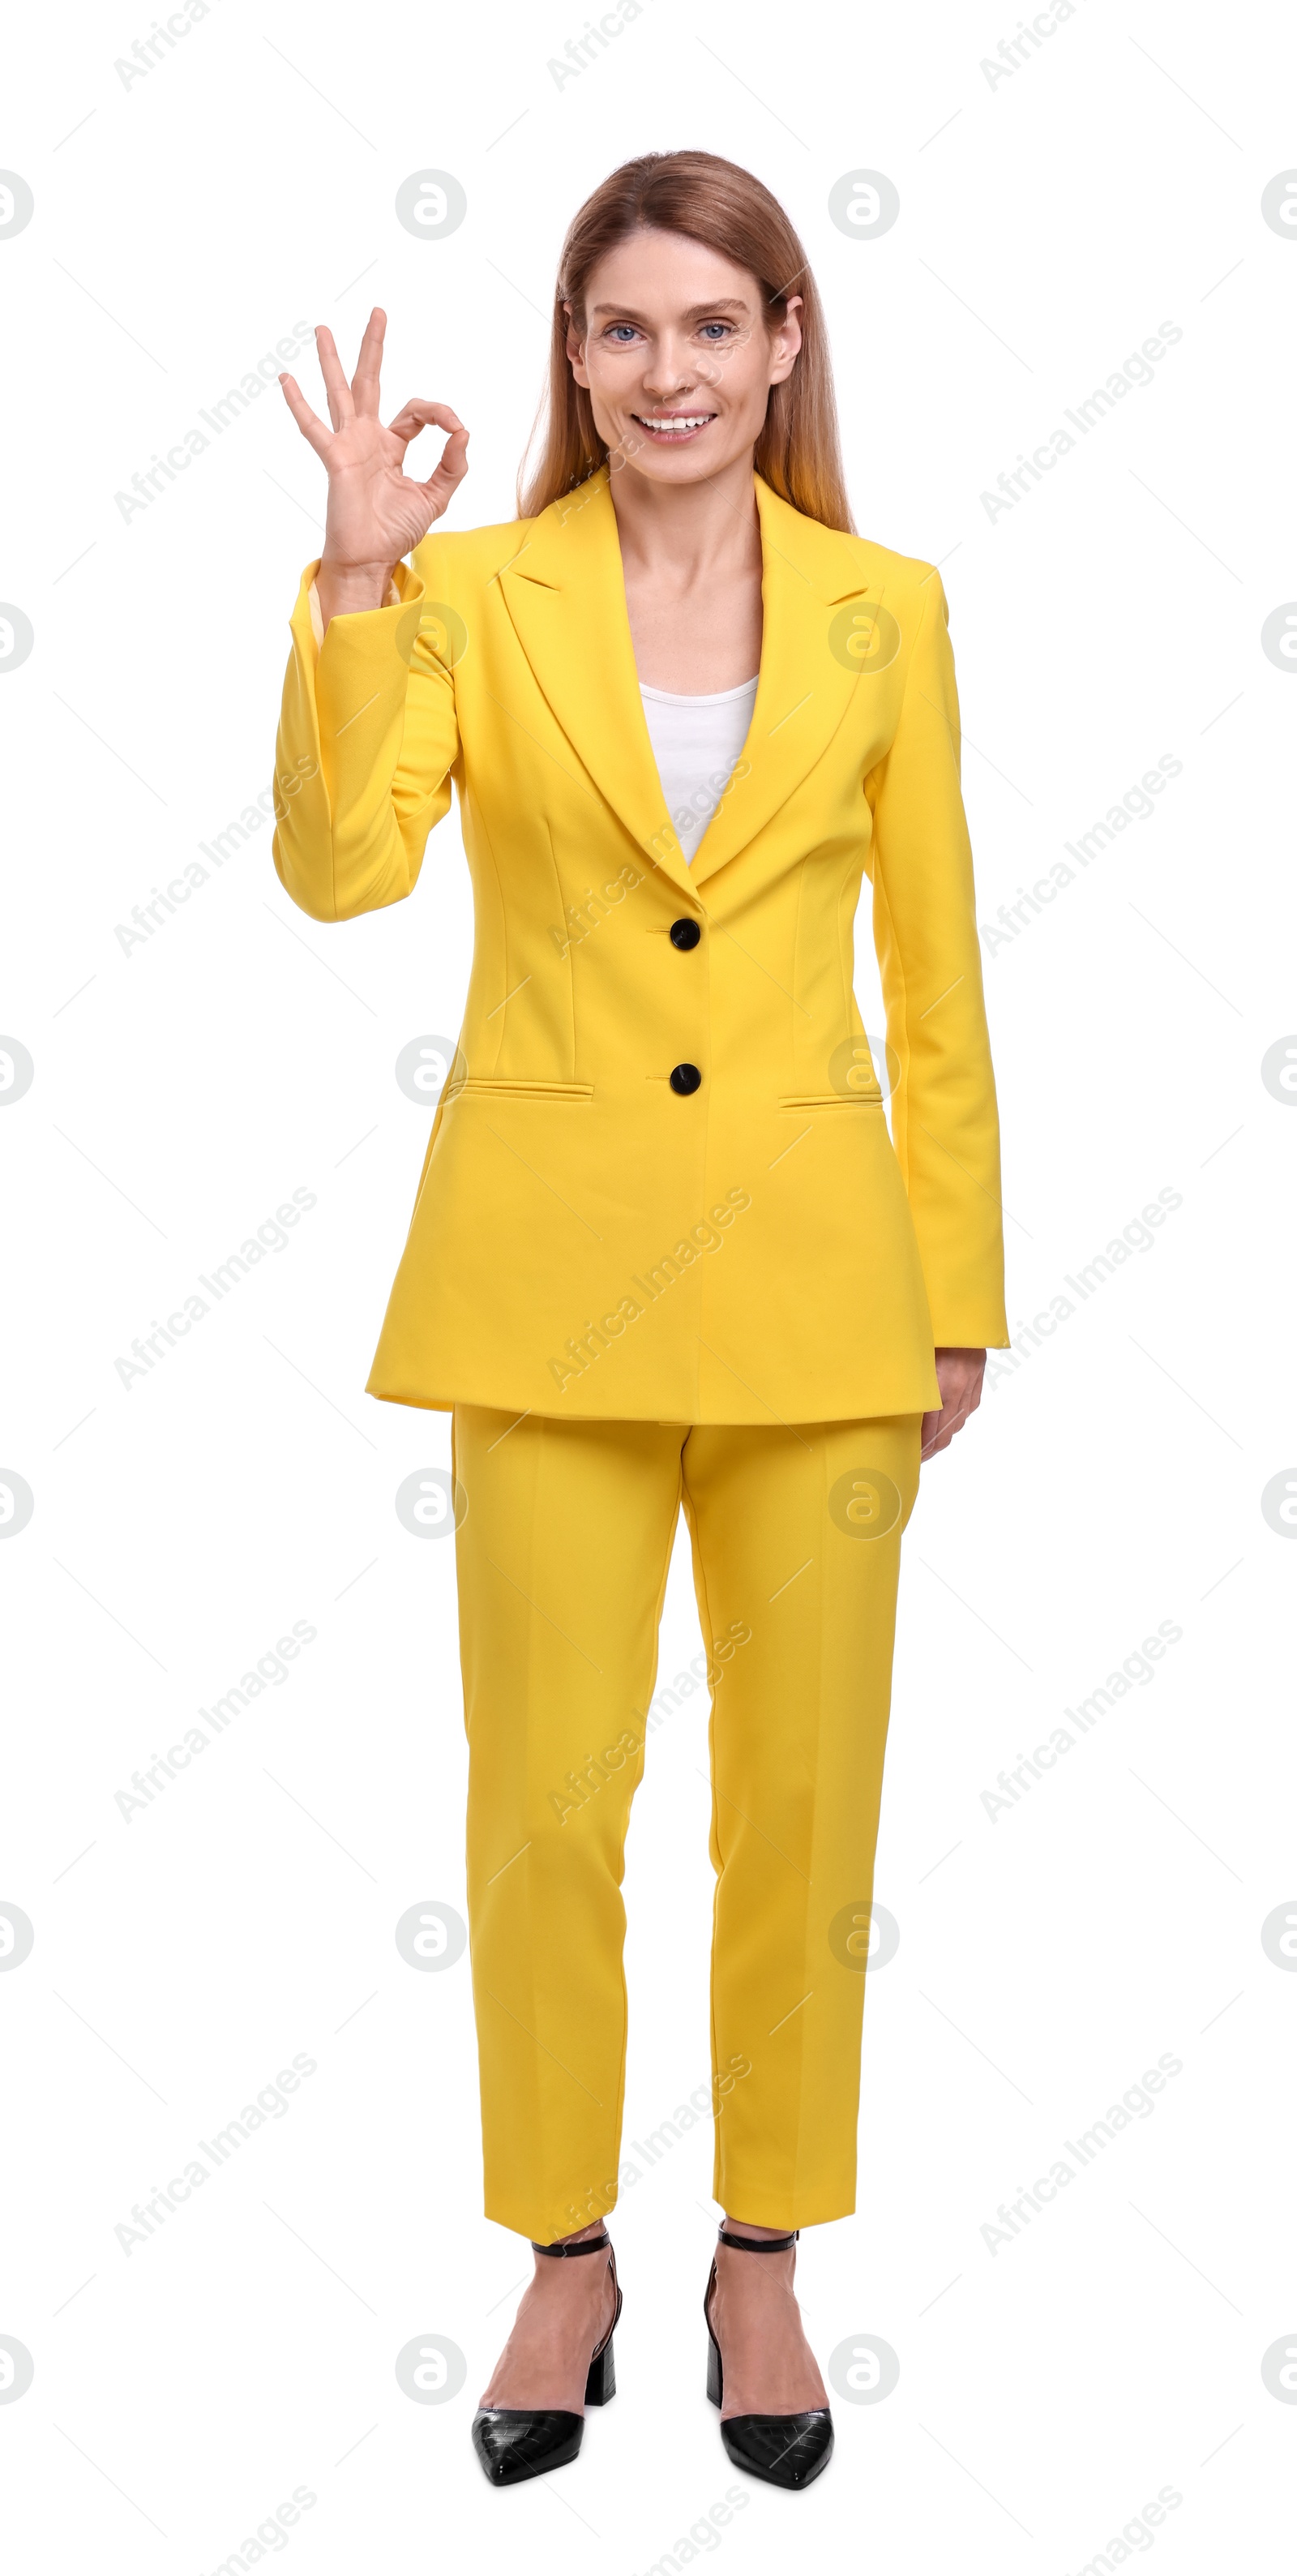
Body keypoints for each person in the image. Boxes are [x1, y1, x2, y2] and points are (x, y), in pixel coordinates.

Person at [272, 148, 1008, 2492]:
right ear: (573, 360)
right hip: (550, 1294)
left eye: (712, 324)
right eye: (623, 330)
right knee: (544, 1805)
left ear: (787, 340)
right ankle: (567, 2245)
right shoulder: (476, 595)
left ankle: (765, 2252)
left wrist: (958, 1292)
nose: (666, 369)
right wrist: (361, 580)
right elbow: (340, 867)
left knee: (802, 1804)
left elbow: (942, 976)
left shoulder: (888, 610)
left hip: (821, 1310)